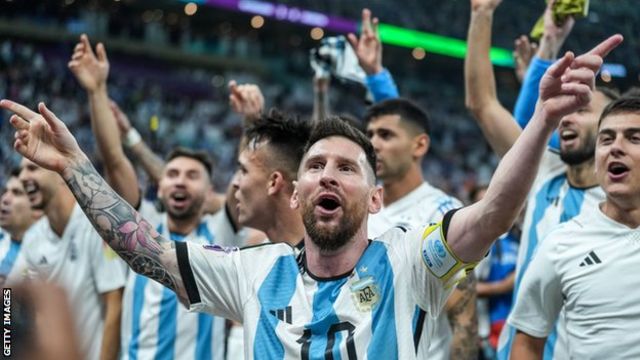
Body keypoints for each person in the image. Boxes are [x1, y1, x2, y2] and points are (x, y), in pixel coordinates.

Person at [2, 33, 620, 358]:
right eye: (316, 165)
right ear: (294, 194)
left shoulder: (411, 258)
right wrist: (73, 164)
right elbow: (145, 250)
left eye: (348, 168)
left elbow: (493, 215)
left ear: (374, 200)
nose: (328, 174)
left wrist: (540, 120)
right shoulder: (252, 271)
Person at [67, 34, 248, 360]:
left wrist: (251, 121)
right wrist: (96, 91)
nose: (180, 182)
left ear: (210, 193)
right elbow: (114, 158)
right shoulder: (140, 223)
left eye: (193, 176)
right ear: (160, 186)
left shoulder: (222, 233)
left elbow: (249, 177)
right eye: (173, 175)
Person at [463, 1, 618, 358]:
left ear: (612, 128)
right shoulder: (544, 170)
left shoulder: (628, 205)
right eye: (565, 109)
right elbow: (482, 103)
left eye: (580, 108)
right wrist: (481, 14)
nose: (566, 117)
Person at [509, 96, 640, 359]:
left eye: (634, 138)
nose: (615, 147)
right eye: (606, 139)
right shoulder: (561, 244)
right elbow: (527, 342)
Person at [364, 98, 477, 359]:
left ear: (420, 145)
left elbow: (463, 317)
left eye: (386, 135)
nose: (373, 144)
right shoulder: (360, 209)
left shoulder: (444, 213)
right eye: (369, 134)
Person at [17, 157, 126, 360]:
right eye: (21, 170)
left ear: (59, 174)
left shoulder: (95, 225)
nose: (23, 177)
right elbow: (38, 312)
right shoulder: (32, 239)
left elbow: (114, 304)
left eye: (32, 168)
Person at [0, 168, 36, 285]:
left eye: (16, 193)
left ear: (35, 203)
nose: (5, 199)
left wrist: (6, 296)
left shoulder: (41, 258)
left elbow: (7, 301)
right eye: (5, 191)